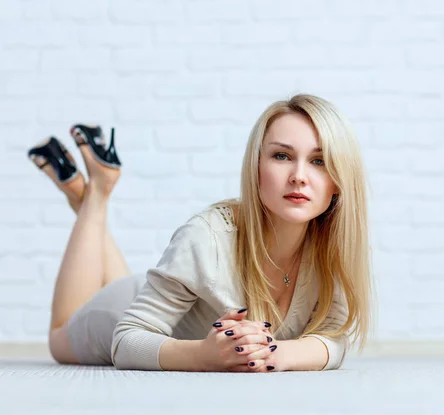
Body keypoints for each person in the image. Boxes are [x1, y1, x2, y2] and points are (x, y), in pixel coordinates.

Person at [27, 93, 372, 372]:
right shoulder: (206, 236)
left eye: (318, 161)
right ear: (255, 167)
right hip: (122, 313)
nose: (299, 175)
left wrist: (276, 354)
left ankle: (82, 196)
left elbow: (332, 338)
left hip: (168, 293)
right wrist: (204, 357)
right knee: (60, 336)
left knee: (130, 276)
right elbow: (126, 339)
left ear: (339, 179)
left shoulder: (333, 248)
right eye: (282, 156)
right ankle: (97, 194)